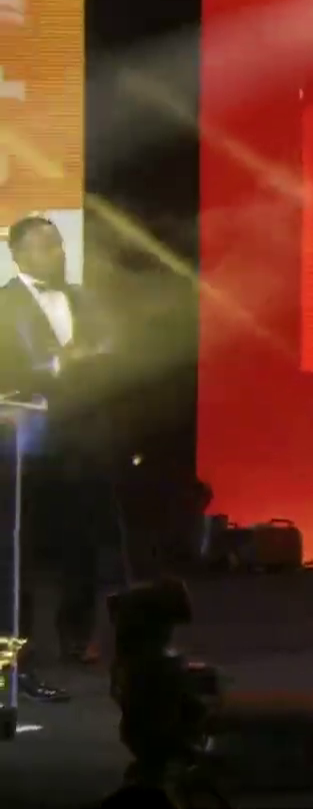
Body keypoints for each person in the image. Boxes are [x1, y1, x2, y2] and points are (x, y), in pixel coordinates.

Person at [1, 214, 116, 703]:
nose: (57, 253)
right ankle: (17, 645)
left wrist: (101, 358)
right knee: (20, 545)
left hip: (80, 435)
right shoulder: (5, 303)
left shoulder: (82, 298)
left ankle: (76, 635)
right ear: (18, 254)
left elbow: (108, 351)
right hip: (27, 439)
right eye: (44, 245)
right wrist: (57, 365)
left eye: (58, 244)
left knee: (81, 541)